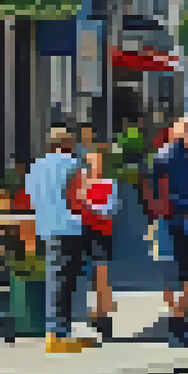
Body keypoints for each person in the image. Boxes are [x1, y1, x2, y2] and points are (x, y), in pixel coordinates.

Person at [24, 125, 91, 353]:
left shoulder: (35, 168)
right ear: (64, 144)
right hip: (68, 226)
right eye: (70, 143)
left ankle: (59, 332)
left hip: (45, 226)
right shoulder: (73, 165)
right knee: (64, 281)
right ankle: (57, 334)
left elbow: (30, 198)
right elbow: (79, 196)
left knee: (55, 277)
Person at [147, 116, 188, 347]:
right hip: (171, 220)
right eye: (187, 128)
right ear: (176, 131)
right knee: (176, 271)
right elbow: (153, 189)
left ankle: (183, 313)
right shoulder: (168, 155)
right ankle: (178, 318)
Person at [73, 142, 119, 341]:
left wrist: (89, 207)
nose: (95, 168)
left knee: (101, 275)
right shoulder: (79, 184)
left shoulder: (108, 184)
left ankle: (102, 316)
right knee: (81, 274)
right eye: (92, 163)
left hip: (101, 234)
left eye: (98, 163)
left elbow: (109, 209)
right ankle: (92, 313)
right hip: (83, 232)